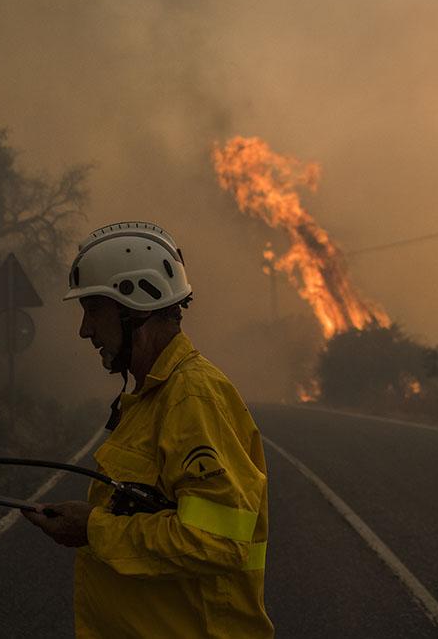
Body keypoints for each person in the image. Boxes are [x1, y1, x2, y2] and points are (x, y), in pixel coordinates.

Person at [21, 221, 274, 638]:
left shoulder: (192, 398)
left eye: (93, 310)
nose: (84, 330)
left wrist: (92, 528)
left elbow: (218, 540)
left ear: (134, 306)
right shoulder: (150, 399)